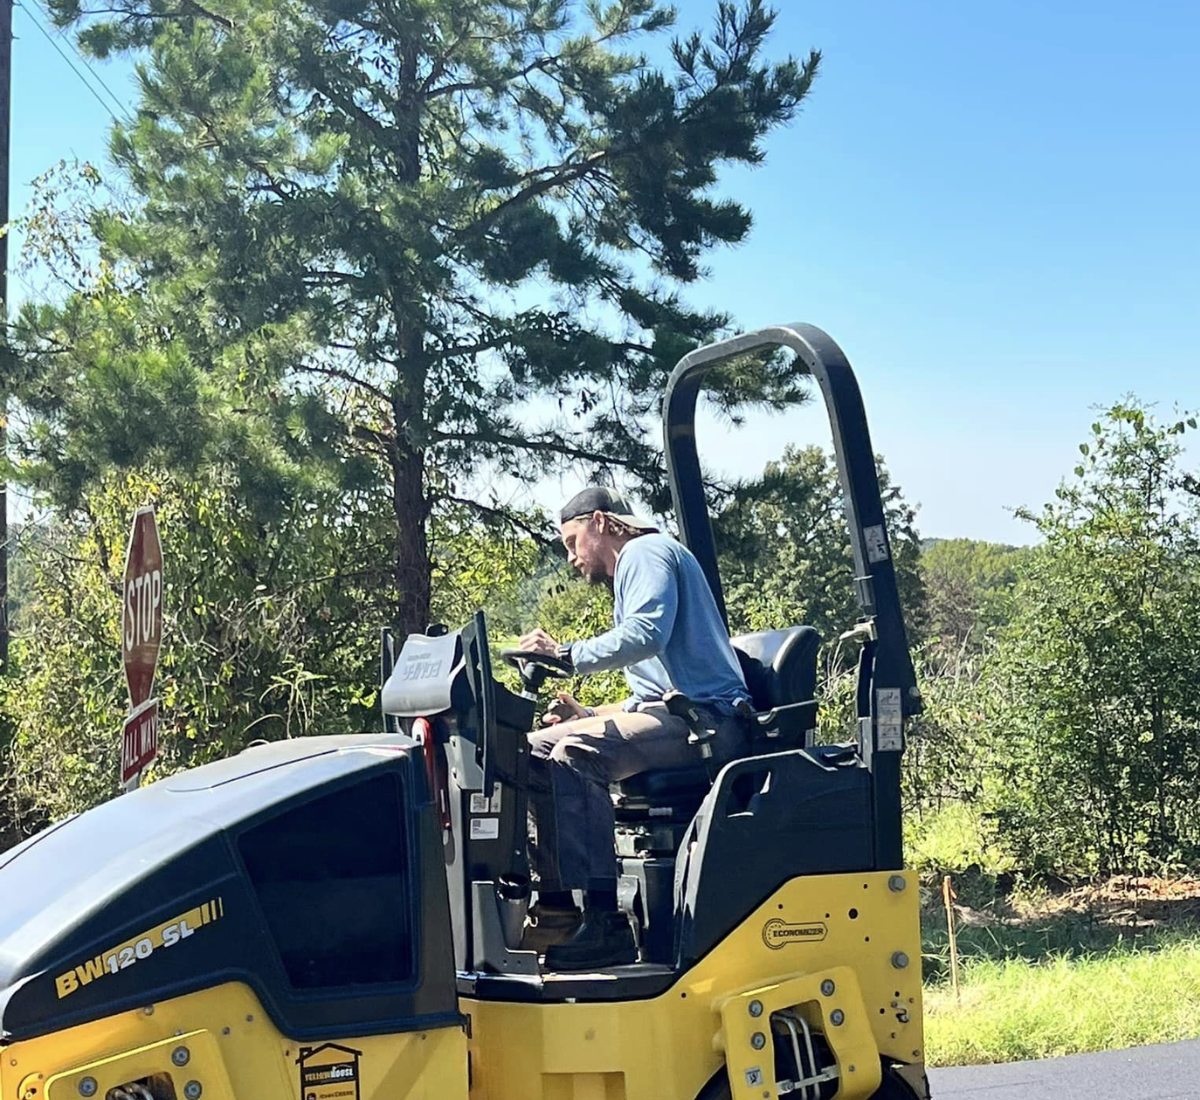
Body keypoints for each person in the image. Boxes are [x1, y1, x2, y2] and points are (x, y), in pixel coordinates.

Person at [518, 486, 751, 970]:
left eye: (572, 541)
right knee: (533, 749)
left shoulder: (645, 552)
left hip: (710, 721)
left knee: (577, 752)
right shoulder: (635, 570)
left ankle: (606, 923)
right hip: (677, 715)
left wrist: (564, 655)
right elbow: (648, 694)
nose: (571, 557)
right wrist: (589, 715)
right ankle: (558, 909)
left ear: (601, 522)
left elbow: (646, 635)